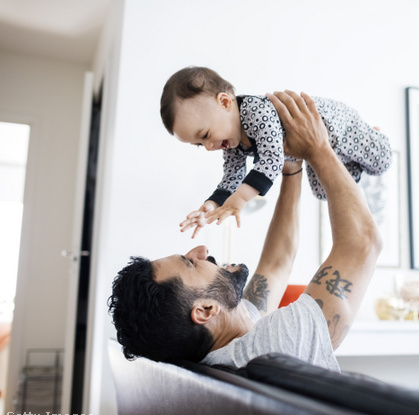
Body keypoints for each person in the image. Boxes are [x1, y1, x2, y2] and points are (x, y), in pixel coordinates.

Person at [109, 91, 382, 371]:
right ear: (204, 310)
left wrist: (290, 166)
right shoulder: (275, 345)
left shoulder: (231, 346)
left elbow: (278, 263)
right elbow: (364, 242)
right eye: (189, 262)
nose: (201, 250)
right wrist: (318, 148)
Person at [159, 66, 392, 237]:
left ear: (225, 102)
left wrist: (239, 199)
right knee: (324, 193)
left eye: (205, 135)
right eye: (200, 145)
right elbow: (231, 177)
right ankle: (357, 157)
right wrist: (210, 208)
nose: (209, 147)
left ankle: (372, 135)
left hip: (337, 127)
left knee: (382, 162)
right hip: (314, 152)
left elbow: (271, 159)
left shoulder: (254, 110)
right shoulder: (232, 142)